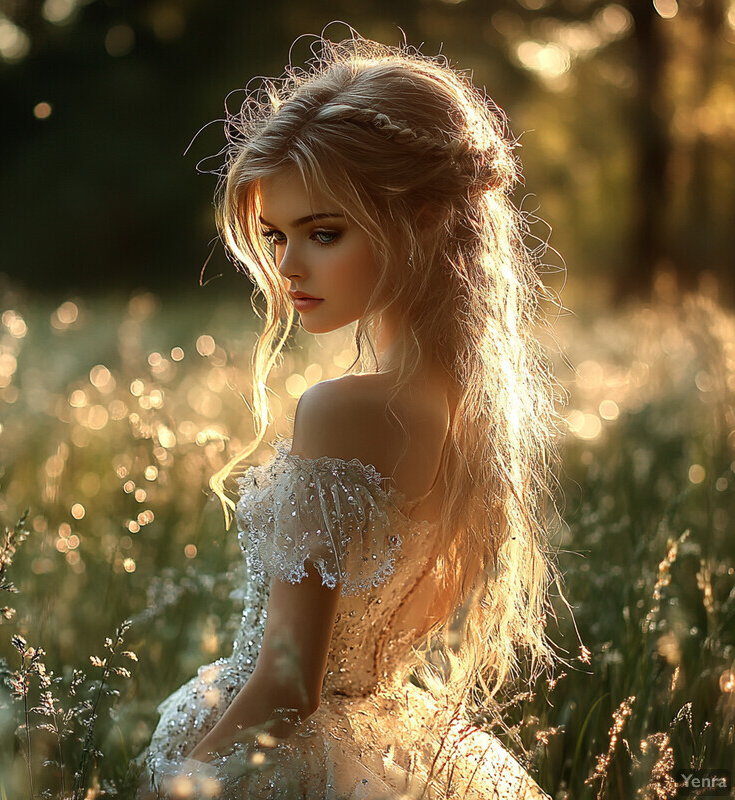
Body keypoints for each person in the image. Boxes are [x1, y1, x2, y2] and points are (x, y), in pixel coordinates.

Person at [135, 28, 568, 799]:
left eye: (323, 234)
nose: (289, 267)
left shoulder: (341, 410)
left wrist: (184, 782)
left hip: (297, 755)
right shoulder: (466, 405)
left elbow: (289, 684)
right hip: (392, 745)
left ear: (425, 219)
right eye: (275, 236)